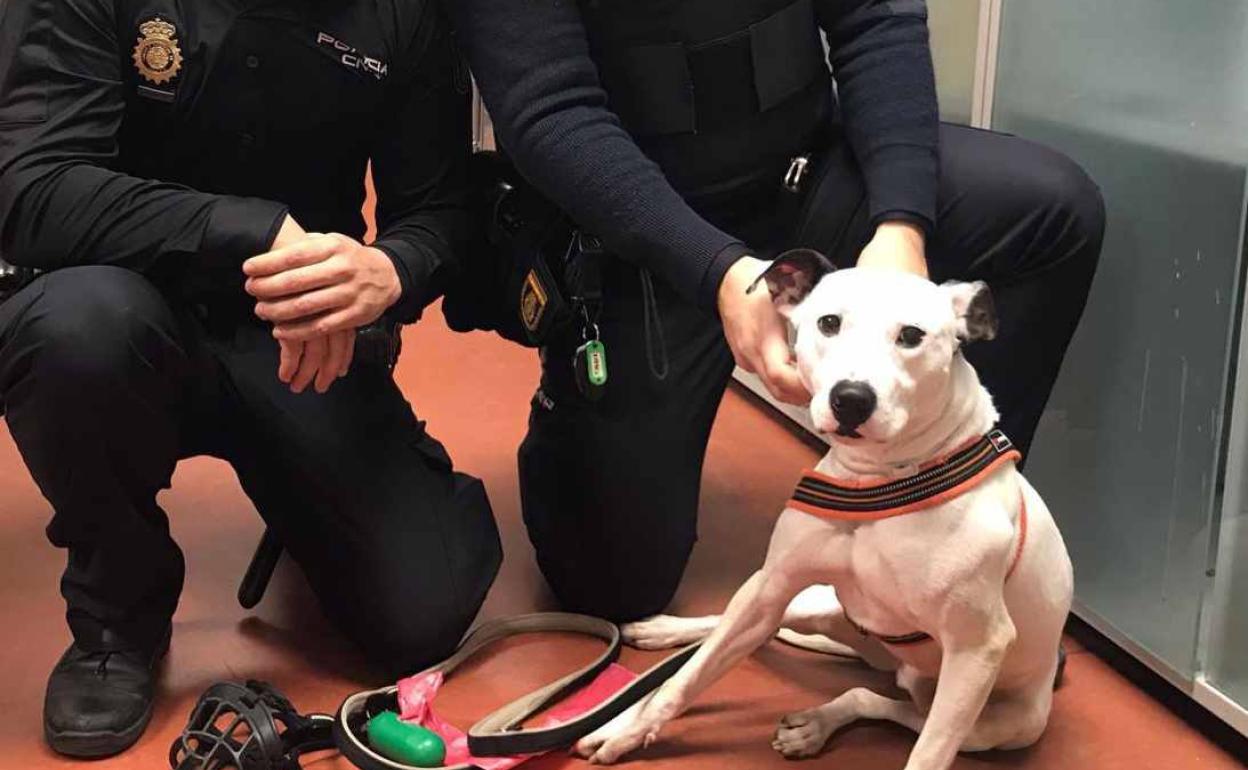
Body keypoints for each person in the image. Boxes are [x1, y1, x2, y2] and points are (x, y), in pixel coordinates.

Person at [449, 0, 1104, 621]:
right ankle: (575, 413)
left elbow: (875, 19)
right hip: (641, 245)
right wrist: (718, 271)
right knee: (608, 583)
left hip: (804, 177)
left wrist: (902, 224)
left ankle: (943, 523)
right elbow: (551, 113)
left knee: (1049, 213)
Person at [0, 0, 501, 757]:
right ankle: (116, 612)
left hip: (303, 339)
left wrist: (389, 270)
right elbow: (36, 188)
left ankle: (309, 501)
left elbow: (439, 211)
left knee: (424, 612)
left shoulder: (403, 13)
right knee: (73, 328)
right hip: (122, 313)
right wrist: (250, 230)